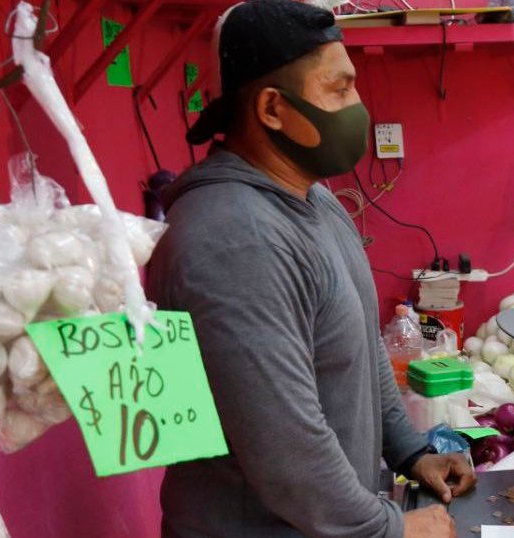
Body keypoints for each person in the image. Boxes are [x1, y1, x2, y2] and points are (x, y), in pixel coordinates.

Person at [146, 1, 475, 536]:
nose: (358, 106)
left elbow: (360, 353)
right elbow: (287, 454)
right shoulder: (235, 239)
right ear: (273, 108)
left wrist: (412, 452)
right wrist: (391, 529)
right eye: (340, 89)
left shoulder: (316, 203)